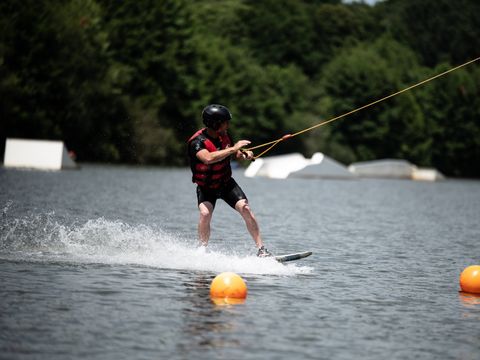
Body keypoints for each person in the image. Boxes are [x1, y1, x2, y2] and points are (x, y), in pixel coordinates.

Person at [187, 104, 271, 257]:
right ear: (215, 123)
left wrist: (244, 154)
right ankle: (202, 250)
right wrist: (233, 149)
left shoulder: (224, 135)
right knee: (205, 214)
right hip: (207, 187)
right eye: (225, 121)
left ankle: (261, 250)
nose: (228, 124)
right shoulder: (197, 142)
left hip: (226, 183)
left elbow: (235, 152)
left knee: (245, 208)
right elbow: (207, 158)